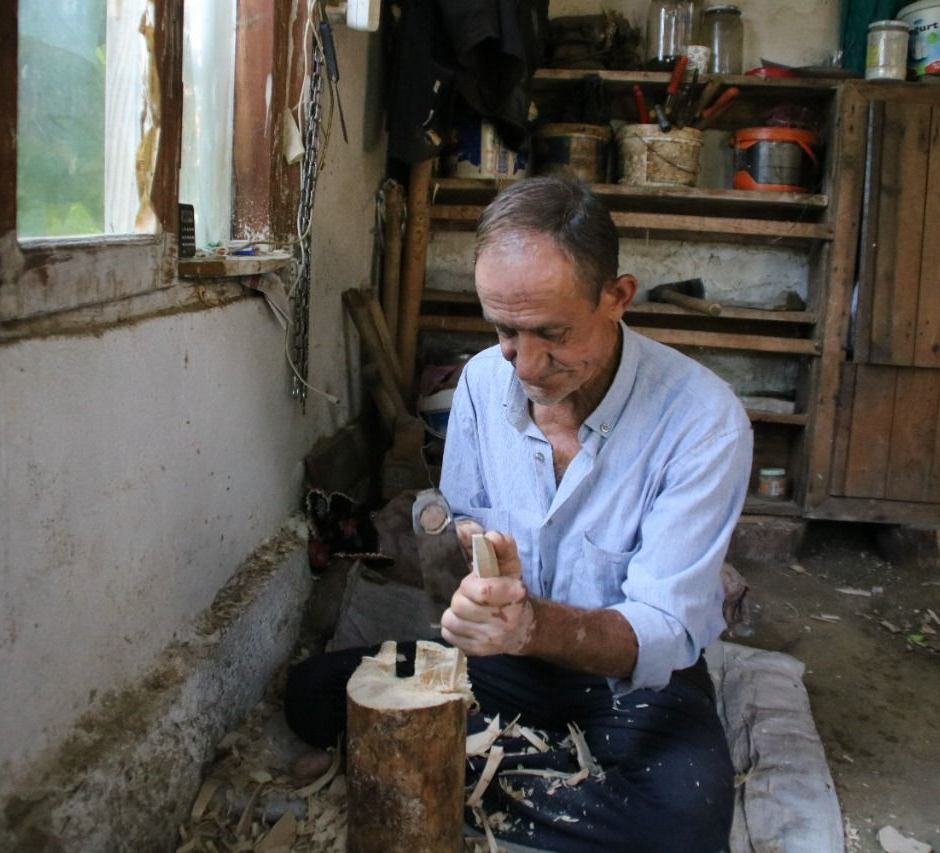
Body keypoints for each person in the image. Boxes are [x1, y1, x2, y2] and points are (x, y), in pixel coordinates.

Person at [287, 176, 752, 852]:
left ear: (618, 296)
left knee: (685, 818)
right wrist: (461, 555)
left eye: (553, 334)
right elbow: (464, 518)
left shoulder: (703, 421)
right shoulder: (480, 381)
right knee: (314, 693)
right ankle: (538, 789)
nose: (527, 365)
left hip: (629, 681)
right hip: (506, 661)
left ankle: (465, 777)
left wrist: (529, 623)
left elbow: (663, 628)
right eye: (505, 329)